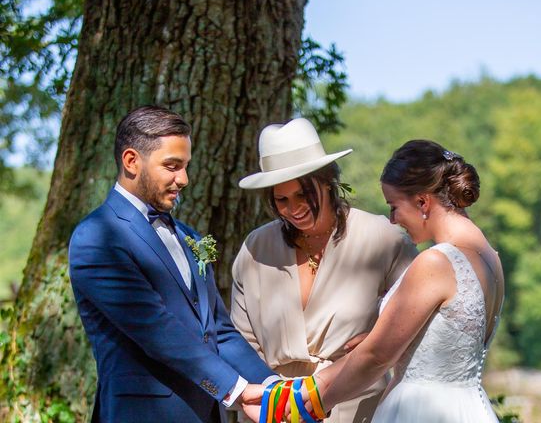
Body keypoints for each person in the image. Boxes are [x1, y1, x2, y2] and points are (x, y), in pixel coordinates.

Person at [68, 106, 276, 423]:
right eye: (172, 166)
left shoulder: (188, 237)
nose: (184, 179)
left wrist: (274, 388)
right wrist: (237, 389)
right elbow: (156, 329)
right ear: (131, 161)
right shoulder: (97, 237)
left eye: (186, 166)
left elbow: (219, 331)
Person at [230, 118, 418, 423]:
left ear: (328, 181)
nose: (294, 208)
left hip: (353, 406)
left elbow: (419, 323)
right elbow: (240, 340)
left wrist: (381, 340)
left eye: (304, 194)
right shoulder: (256, 247)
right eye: (282, 199)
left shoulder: (385, 240)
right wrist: (271, 402)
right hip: (270, 409)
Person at [304, 139, 505, 422]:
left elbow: (377, 357)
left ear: (423, 201)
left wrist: (316, 403)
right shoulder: (489, 258)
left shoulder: (437, 262)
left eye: (394, 206)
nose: (392, 220)